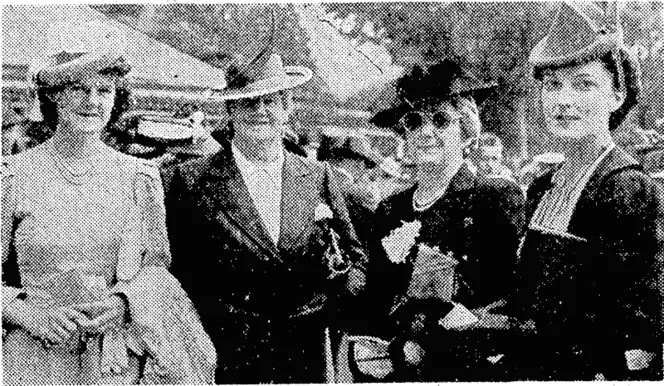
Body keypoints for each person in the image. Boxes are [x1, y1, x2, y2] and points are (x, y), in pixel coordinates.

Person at [1, 29, 216, 385]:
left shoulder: (139, 177)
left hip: (112, 362)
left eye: (104, 91)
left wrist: (123, 303)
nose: (93, 102)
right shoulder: (12, 176)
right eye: (79, 90)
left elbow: (156, 272)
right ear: (53, 97)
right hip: (34, 358)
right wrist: (26, 313)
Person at [165, 52, 368, 384]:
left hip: (303, 356)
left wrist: (328, 302)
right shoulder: (188, 180)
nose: (260, 111)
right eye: (248, 103)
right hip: (223, 354)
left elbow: (355, 258)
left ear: (286, 108)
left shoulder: (319, 176)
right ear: (230, 111)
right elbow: (172, 268)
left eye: (270, 101)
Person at [499, 2, 664, 381]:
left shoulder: (626, 186)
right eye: (552, 85)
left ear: (616, 97)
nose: (563, 100)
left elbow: (638, 327)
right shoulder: (542, 185)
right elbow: (529, 294)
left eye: (583, 84)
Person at [354, 60, 525, 382]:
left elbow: (511, 298)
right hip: (394, 369)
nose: (426, 132)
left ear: (466, 134)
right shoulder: (390, 209)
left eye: (441, 120)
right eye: (415, 122)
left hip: (468, 366)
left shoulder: (494, 197)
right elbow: (376, 298)